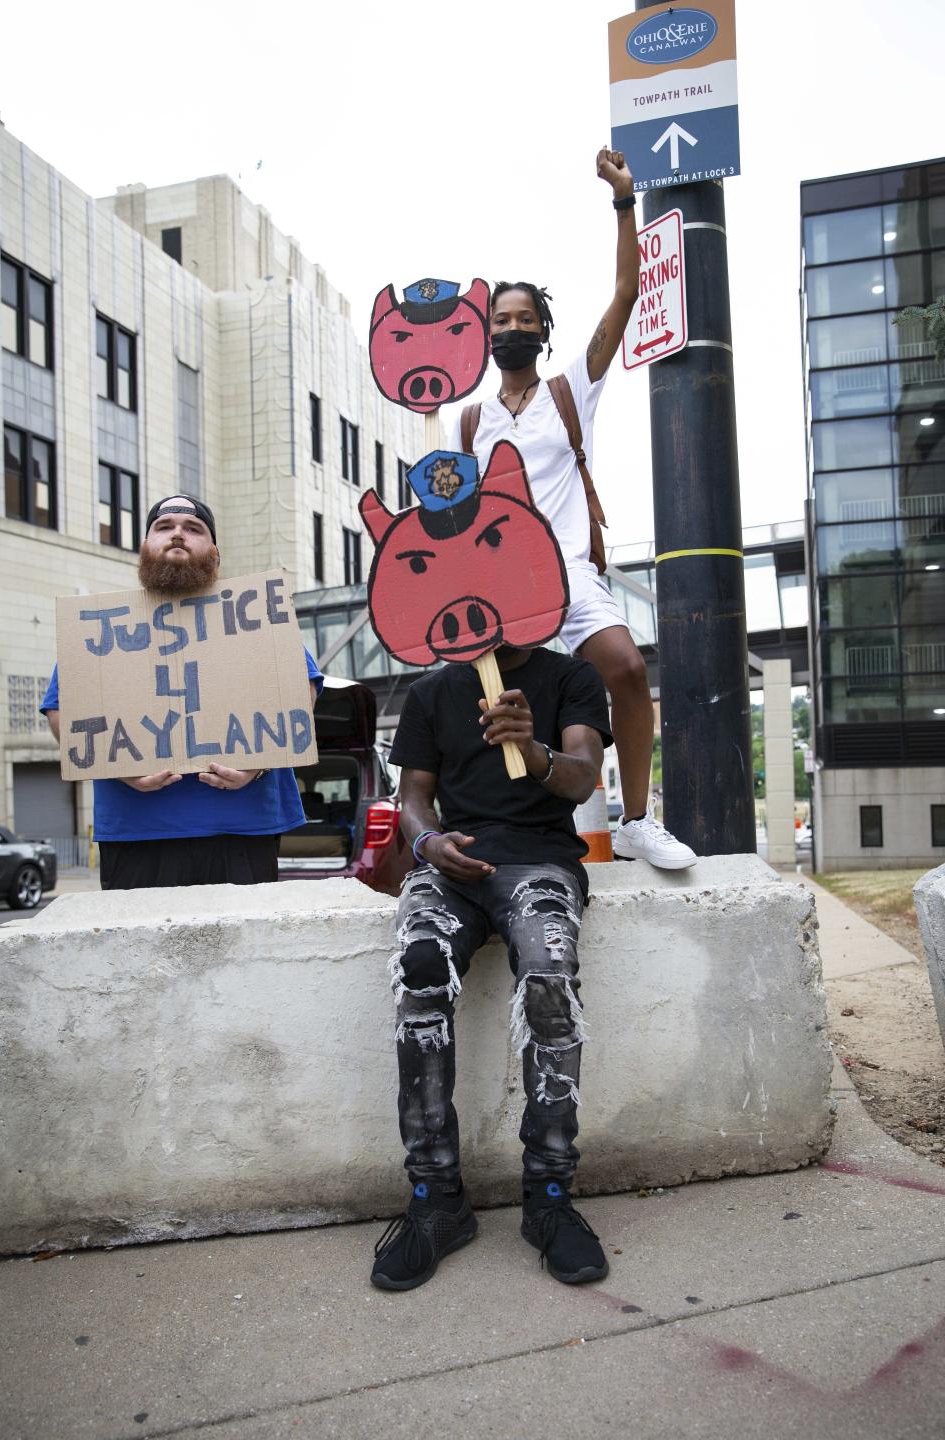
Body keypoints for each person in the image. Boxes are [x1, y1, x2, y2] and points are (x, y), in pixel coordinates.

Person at [451, 147, 696, 870]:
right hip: (501, 586)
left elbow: (626, 294)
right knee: (491, 714)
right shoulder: (467, 421)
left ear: (542, 330)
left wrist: (625, 201)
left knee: (624, 668)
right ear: (486, 334)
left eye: (525, 318)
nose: (511, 327)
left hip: (568, 571)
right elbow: (458, 517)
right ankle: (492, 832)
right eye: (500, 319)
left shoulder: (570, 389)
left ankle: (639, 820)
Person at [371, 640, 613, 1292]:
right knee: (420, 969)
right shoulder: (429, 693)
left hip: (541, 861)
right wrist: (427, 841)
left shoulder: (570, 676)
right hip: (451, 866)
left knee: (548, 978)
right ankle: (435, 1197)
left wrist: (532, 751)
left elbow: (585, 775)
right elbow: (414, 797)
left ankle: (550, 1193)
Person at [41, 494, 323, 889]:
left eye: (193, 529)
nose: (178, 535)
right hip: (136, 831)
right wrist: (118, 768)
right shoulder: (103, 628)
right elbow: (62, 709)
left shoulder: (257, 616)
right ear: (145, 548)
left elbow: (299, 690)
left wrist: (259, 763)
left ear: (214, 554)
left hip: (243, 829)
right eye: (164, 527)